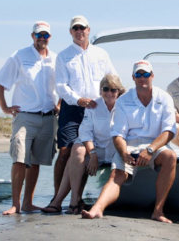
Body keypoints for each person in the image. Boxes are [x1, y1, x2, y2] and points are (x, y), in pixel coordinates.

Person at [82, 60, 177, 223]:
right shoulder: (123, 101)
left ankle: (158, 211)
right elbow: (118, 134)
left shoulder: (165, 98)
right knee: (117, 174)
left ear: (152, 76)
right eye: (138, 74)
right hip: (130, 146)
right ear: (133, 77)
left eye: (146, 74)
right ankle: (97, 208)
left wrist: (150, 150)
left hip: (155, 146)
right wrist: (123, 152)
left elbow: (169, 131)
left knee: (170, 157)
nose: (142, 78)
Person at [0, 21, 59, 215]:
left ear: (50, 37)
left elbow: (64, 85)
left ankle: (28, 203)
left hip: (48, 118)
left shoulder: (56, 59)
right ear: (32, 36)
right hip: (25, 116)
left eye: (45, 35)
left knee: (36, 161)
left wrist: (60, 104)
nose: (42, 39)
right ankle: (16, 204)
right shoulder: (19, 56)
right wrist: (4, 107)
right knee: (20, 159)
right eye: (39, 35)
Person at [41, 75, 125, 214]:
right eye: (105, 89)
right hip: (95, 147)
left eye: (113, 90)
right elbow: (85, 132)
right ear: (100, 90)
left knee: (71, 162)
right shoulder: (93, 105)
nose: (109, 93)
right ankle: (74, 200)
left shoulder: (124, 107)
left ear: (119, 91)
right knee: (77, 149)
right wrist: (92, 153)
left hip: (113, 150)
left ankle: (62, 202)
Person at [54, 15, 117, 197]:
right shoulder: (63, 56)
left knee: (84, 151)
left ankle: (77, 198)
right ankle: (57, 198)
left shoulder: (101, 54)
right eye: (76, 28)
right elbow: (60, 86)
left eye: (83, 28)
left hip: (99, 108)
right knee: (66, 151)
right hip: (73, 109)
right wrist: (78, 100)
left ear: (89, 30)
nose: (79, 31)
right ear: (70, 32)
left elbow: (113, 78)